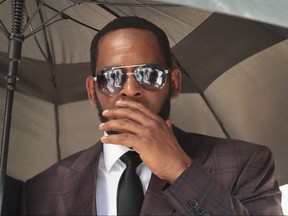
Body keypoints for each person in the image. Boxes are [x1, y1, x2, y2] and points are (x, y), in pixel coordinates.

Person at [20, 16, 283, 215]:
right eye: (112, 77)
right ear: (92, 90)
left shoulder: (246, 163)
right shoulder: (44, 188)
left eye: (150, 74)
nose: (131, 90)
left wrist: (181, 171)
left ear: (175, 83)